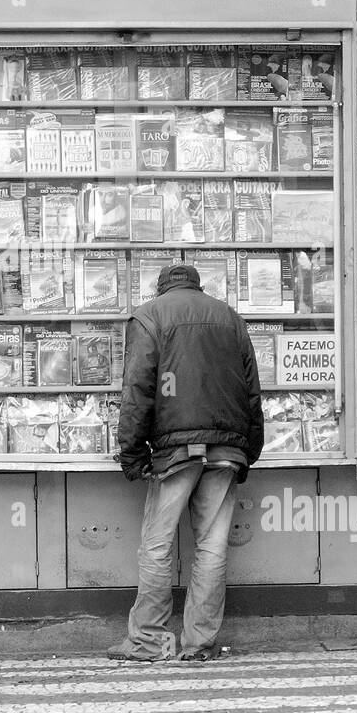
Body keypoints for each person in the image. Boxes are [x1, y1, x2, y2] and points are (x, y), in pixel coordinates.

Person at [108, 264, 264, 662]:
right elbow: (251, 394)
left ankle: (149, 641)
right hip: (227, 449)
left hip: (175, 451)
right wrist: (250, 450)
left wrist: (132, 453)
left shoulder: (150, 316)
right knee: (211, 547)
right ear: (198, 285)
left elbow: (138, 390)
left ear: (161, 288)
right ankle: (200, 644)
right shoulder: (230, 319)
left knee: (157, 547)